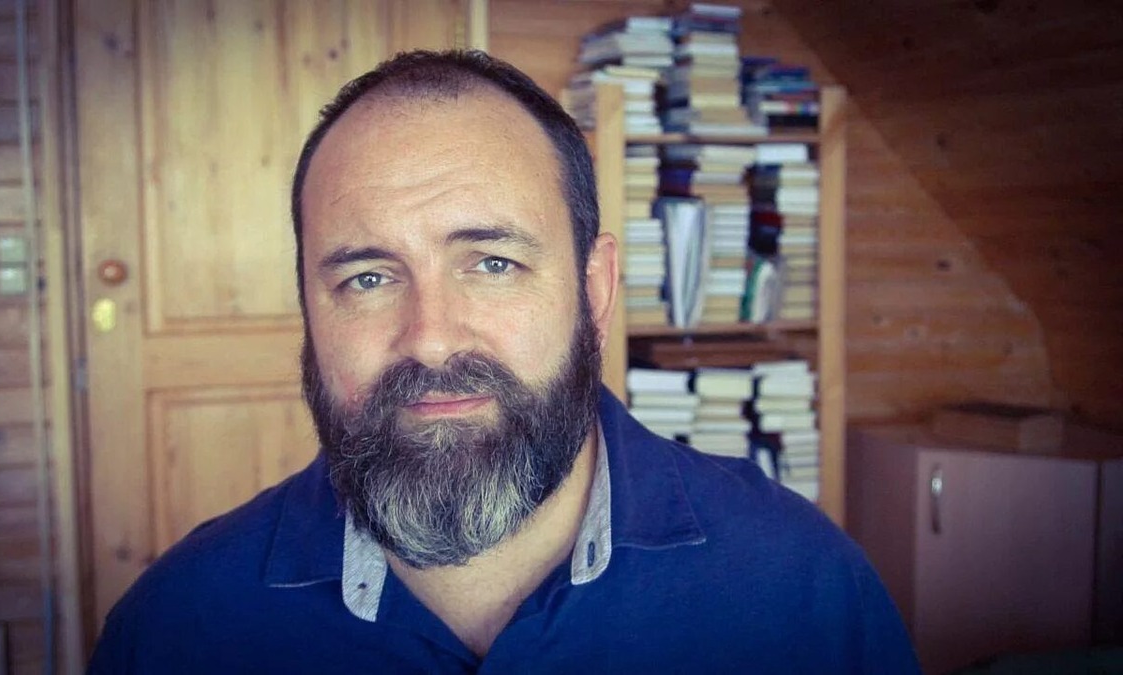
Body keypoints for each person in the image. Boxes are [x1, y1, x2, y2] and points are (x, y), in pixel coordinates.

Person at [88, 49, 919, 673]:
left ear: (595, 289)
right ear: (309, 307)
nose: (431, 338)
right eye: (368, 277)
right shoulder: (174, 631)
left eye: (492, 263)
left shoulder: (802, 592)